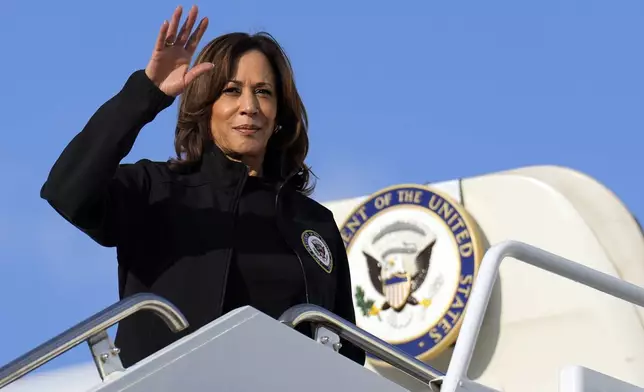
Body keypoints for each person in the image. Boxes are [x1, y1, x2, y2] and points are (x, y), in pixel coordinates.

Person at [40, 5, 365, 368]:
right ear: (205, 104)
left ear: (279, 115)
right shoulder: (156, 190)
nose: (249, 106)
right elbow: (66, 190)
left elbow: (347, 353)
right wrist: (146, 94)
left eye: (263, 91)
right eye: (231, 90)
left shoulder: (313, 222)